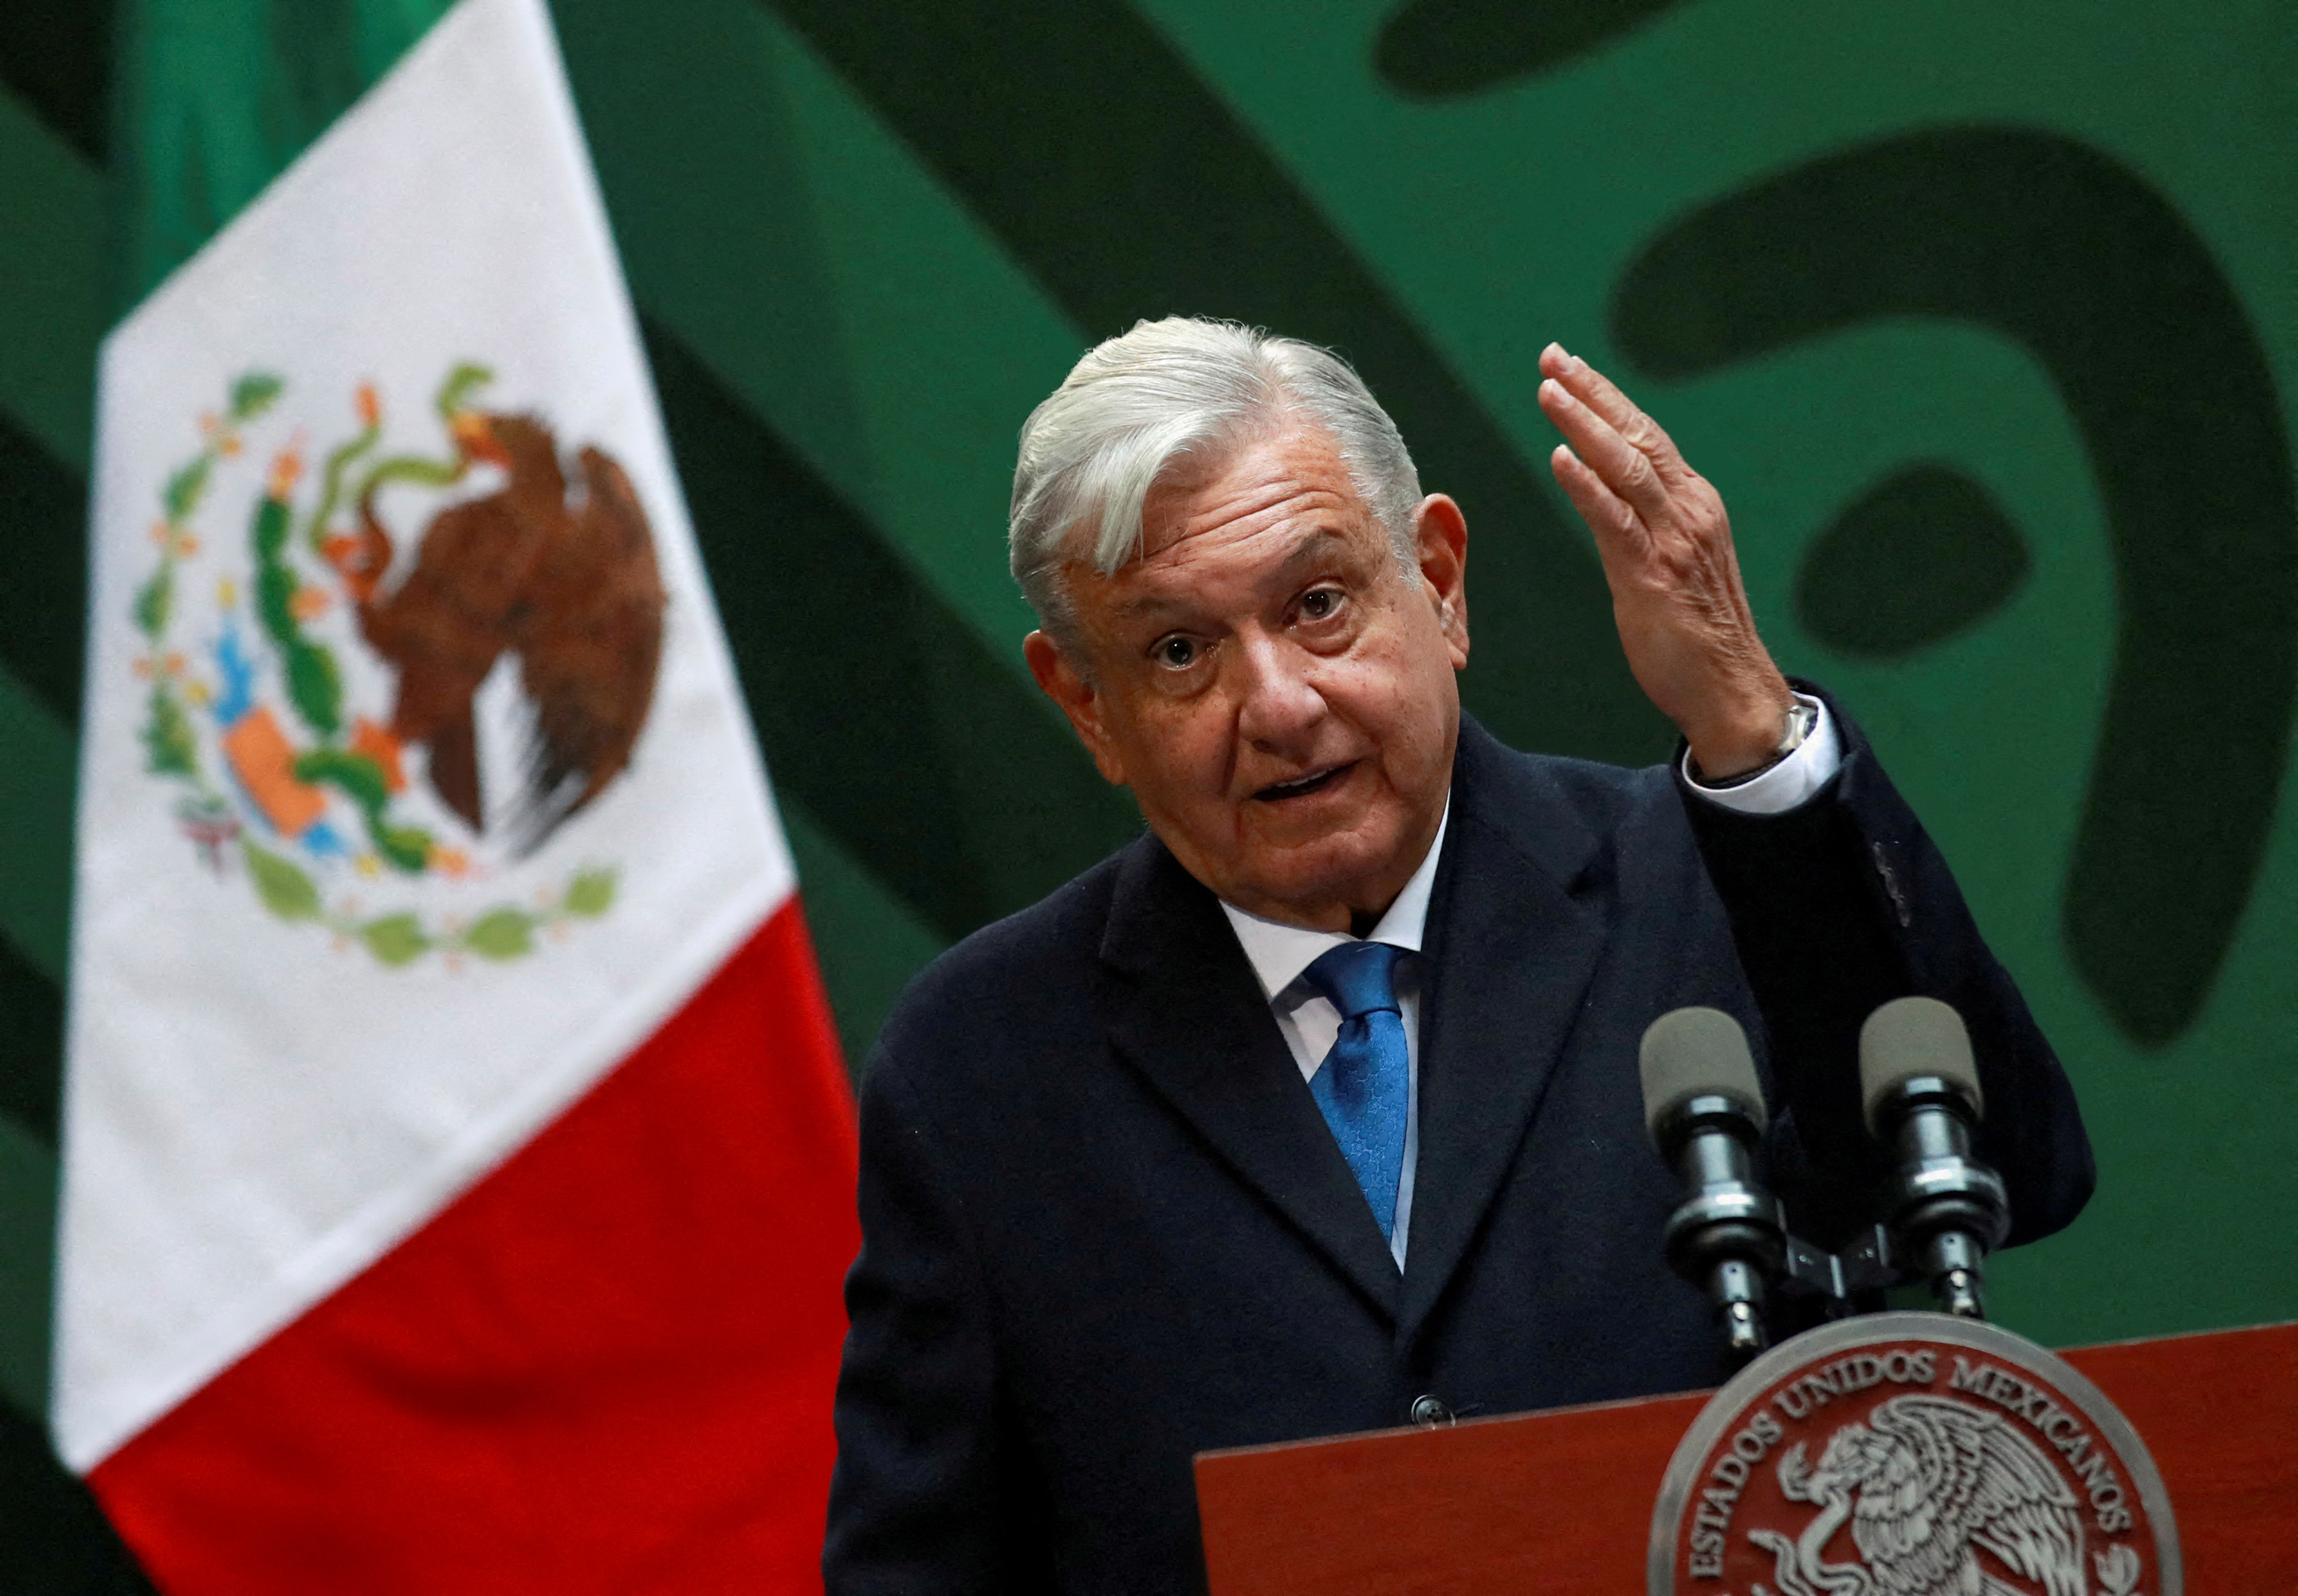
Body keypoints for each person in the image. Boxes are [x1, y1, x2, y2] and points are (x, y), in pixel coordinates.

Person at [822, 318, 2091, 1594]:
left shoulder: (1712, 879)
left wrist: (1749, 729)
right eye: (1178, 652)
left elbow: (2012, 1173)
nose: (1278, 705)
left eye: (1318, 605)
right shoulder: (980, 1066)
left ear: (1437, 583)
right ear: (1086, 705)